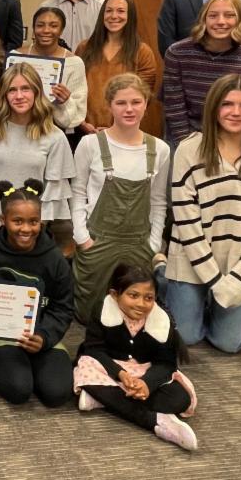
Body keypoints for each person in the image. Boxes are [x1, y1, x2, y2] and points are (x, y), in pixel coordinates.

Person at [165, 74, 241, 353]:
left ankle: (220, 309)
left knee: (229, 344)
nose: (236, 112)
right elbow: (185, 219)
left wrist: (238, 280)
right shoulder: (190, 149)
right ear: (213, 107)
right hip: (191, 257)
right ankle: (165, 276)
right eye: (227, 104)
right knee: (186, 337)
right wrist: (215, 281)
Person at [71, 73, 170, 323]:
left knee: (131, 316)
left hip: (139, 244)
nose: (129, 109)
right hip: (98, 242)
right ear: (109, 105)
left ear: (146, 104)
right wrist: (82, 239)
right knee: (89, 315)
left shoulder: (159, 149)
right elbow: (77, 193)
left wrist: (154, 243)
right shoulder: (90, 144)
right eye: (121, 103)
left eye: (136, 102)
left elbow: (158, 201)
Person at [0, 180, 73, 407]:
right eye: (17, 221)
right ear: (3, 220)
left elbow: (63, 307)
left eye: (33, 221)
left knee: (57, 394)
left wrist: (44, 337)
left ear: (41, 221)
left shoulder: (55, 259)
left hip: (41, 333)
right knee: (18, 390)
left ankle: (32, 362)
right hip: (0, 334)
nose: (26, 229)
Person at [74, 264, 198, 451]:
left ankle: (104, 399)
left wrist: (147, 384)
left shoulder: (162, 321)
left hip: (145, 370)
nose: (141, 303)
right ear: (115, 295)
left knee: (180, 399)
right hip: (107, 367)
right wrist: (120, 375)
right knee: (84, 369)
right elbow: (94, 350)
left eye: (148, 298)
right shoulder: (102, 309)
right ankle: (157, 422)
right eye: (133, 295)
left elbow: (166, 364)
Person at [0, 62, 74, 238]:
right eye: (12, 90)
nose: (19, 96)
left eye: (25, 89)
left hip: (31, 240)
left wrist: (29, 236)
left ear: (37, 92)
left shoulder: (55, 137)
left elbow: (52, 198)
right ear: (4, 95)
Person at [162, 0, 241, 146]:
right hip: (183, 135)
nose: (220, 21)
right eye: (213, 16)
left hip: (229, 136)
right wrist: (187, 143)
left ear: (240, 20)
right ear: (204, 20)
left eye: (229, 15)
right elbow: (174, 105)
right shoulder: (177, 53)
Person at [76, 0, 161, 135]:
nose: (114, 16)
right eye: (109, 11)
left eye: (121, 11)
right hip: (84, 131)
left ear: (130, 16)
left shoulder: (142, 52)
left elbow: (142, 97)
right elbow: (74, 88)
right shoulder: (84, 48)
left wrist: (114, 128)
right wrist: (81, 122)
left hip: (124, 132)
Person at [14, 6, 87, 146]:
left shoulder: (74, 63)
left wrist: (65, 102)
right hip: (18, 131)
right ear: (34, 29)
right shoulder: (17, 57)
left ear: (61, 30)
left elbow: (75, 118)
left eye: (53, 26)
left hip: (55, 135)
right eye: (40, 25)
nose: (46, 30)